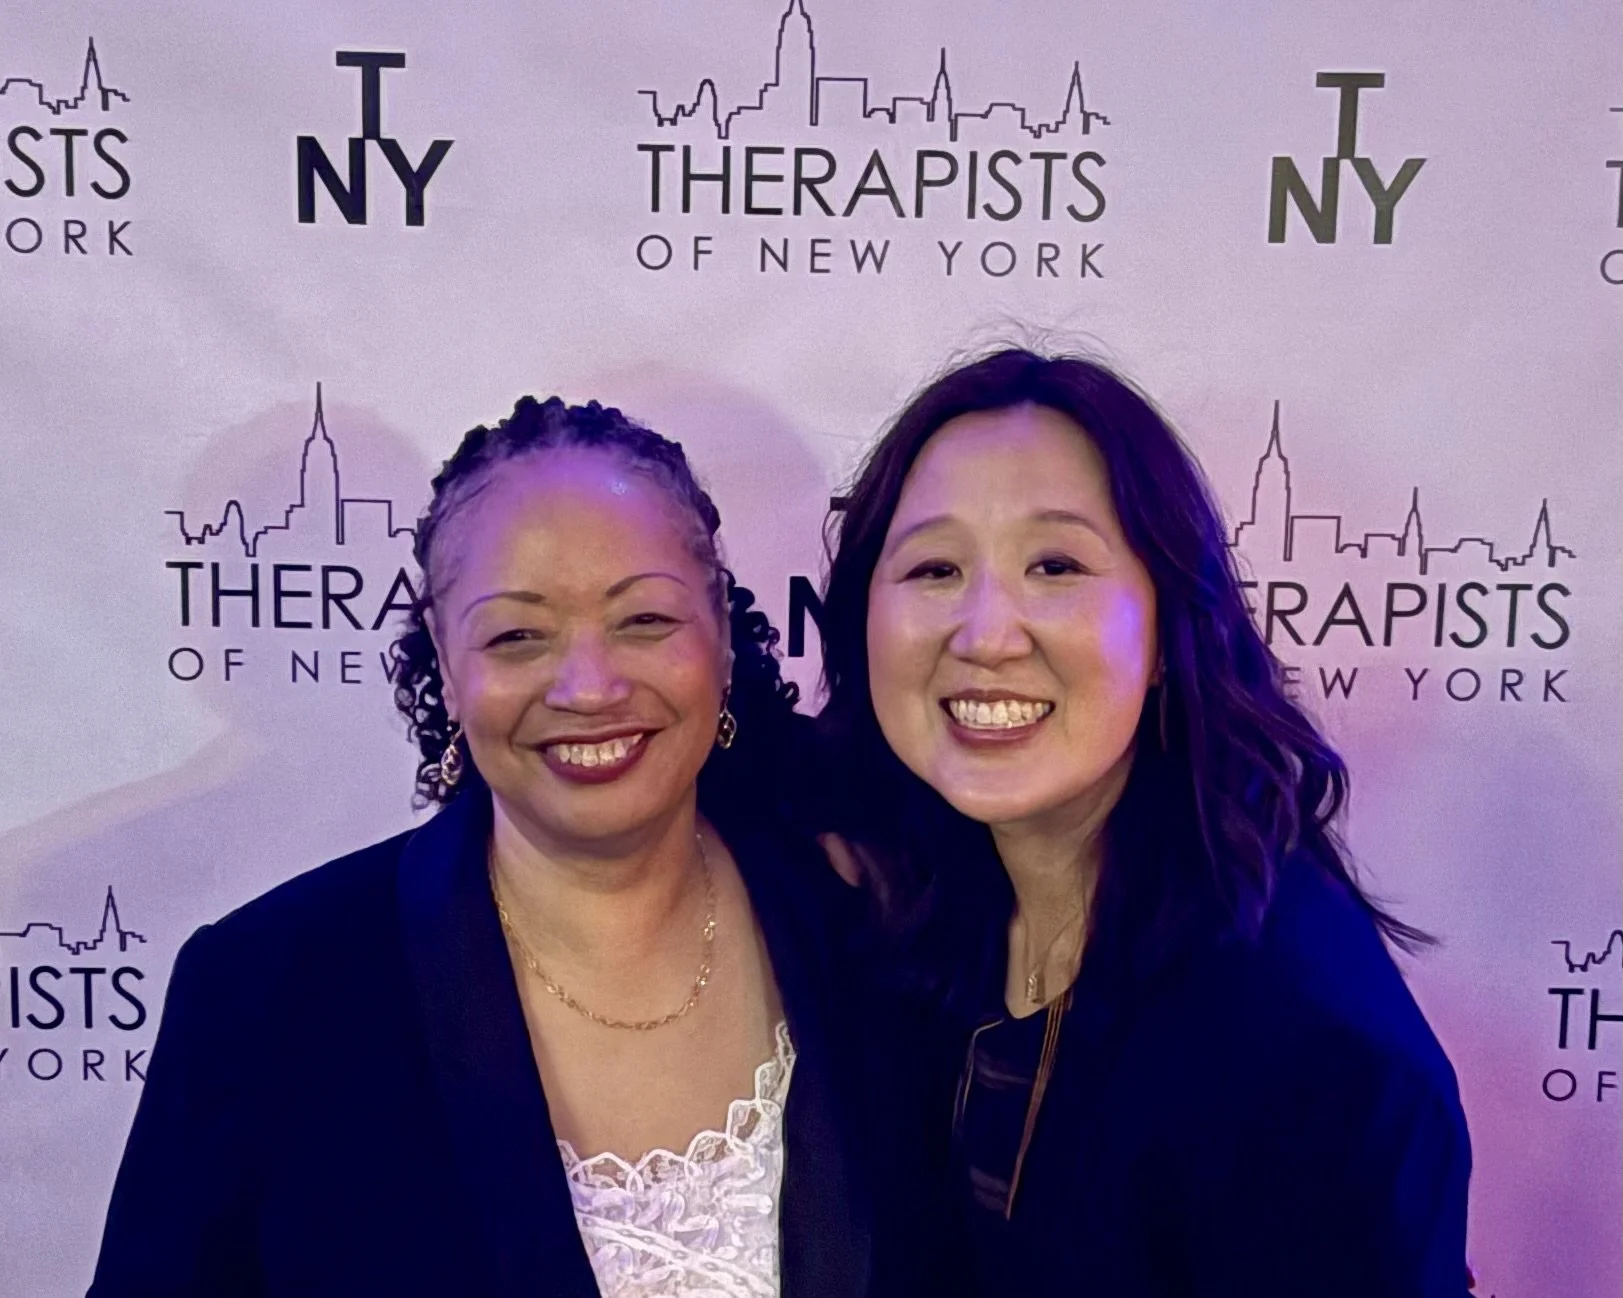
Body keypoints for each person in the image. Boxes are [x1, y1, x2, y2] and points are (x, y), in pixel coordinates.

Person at [89, 396, 946, 1298]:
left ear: (722, 639)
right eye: (517, 636)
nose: (587, 686)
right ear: (449, 672)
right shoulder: (268, 991)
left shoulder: (875, 934)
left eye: (644, 621)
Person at [816, 348, 1473, 1297]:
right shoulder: (928, 902)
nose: (985, 633)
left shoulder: (1300, 1048)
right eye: (933, 568)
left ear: (1169, 631)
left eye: (1055, 564)